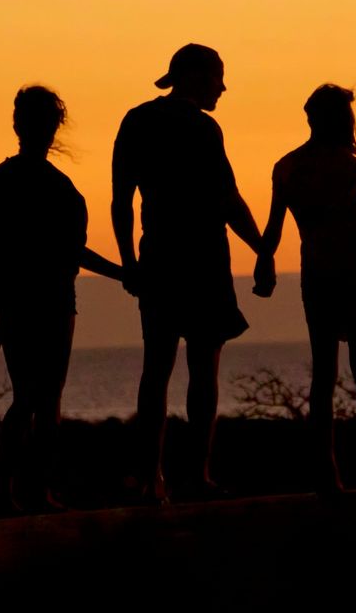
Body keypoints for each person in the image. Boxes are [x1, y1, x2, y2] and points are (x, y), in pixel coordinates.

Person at [111, 44, 262, 503]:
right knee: (202, 370)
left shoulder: (136, 121)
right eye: (218, 77)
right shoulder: (202, 128)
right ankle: (197, 475)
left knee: (155, 370)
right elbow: (228, 199)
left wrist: (129, 264)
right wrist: (262, 248)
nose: (223, 87)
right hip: (202, 261)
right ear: (195, 77)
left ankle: (151, 477)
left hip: (157, 258)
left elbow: (121, 201)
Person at [254, 84, 356, 495]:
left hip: (316, 275)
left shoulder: (286, 167)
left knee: (325, 374)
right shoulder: (347, 167)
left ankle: (329, 470)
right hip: (353, 275)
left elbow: (274, 227)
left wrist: (264, 262)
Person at [0, 85, 122, 512]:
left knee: (32, 397)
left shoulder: (2, 182)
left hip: (33, 300)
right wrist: (124, 273)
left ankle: (22, 489)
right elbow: (67, 251)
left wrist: (2, 306)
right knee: (41, 398)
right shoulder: (52, 187)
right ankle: (28, 489)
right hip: (48, 301)